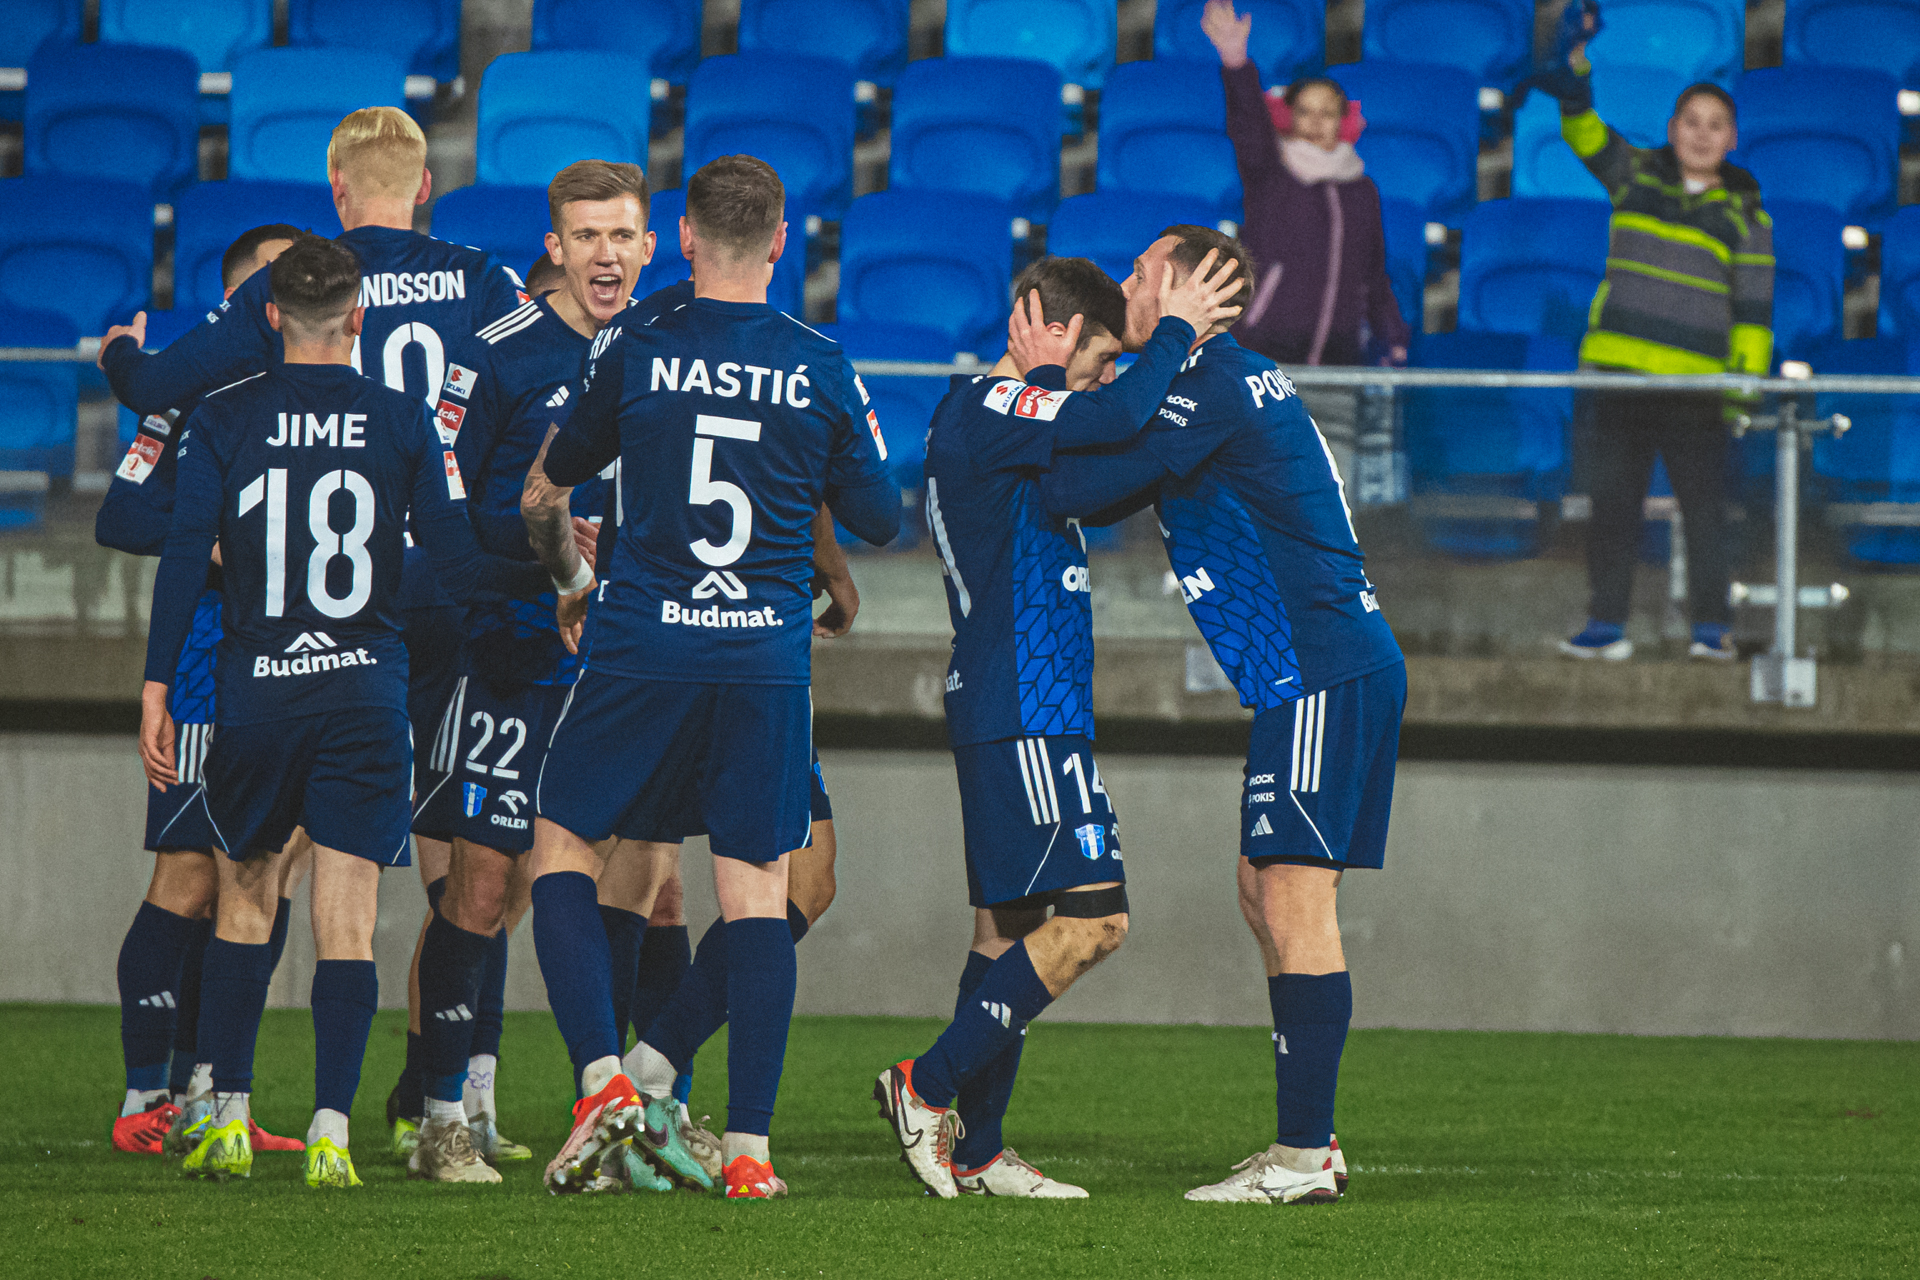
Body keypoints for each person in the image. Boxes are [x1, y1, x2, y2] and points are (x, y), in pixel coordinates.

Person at [516, 154, 900, 1199]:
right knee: (758, 889)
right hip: (761, 656)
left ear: (681, 237)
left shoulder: (635, 343)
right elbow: (880, 515)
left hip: (644, 641)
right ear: (781, 242)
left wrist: (574, 571)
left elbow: (563, 470)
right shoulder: (821, 362)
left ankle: (604, 1080)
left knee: (564, 843)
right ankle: (749, 1152)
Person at [137, 235, 549, 1189]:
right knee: (349, 918)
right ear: (358, 319)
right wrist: (561, 570)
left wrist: (158, 687)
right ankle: (330, 1128)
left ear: (270, 316)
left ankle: (229, 1116)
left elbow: (182, 557)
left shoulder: (223, 415)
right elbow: (458, 565)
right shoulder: (404, 419)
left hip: (257, 692)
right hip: (367, 693)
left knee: (248, 895)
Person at [1036, 225, 1405, 1205]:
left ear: (1188, 292)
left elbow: (1083, 489)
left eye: (1140, 271)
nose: (1123, 283)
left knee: (1292, 900)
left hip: (1319, 668)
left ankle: (1304, 1154)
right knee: (1262, 889)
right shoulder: (1217, 380)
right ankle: (1309, 1141)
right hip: (1313, 670)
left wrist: (1035, 398)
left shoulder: (1208, 386)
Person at [872, 250, 1243, 1200]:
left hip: (1028, 704)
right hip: (1021, 704)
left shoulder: (1018, 426)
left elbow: (1112, 470)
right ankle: (925, 1086)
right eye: (1103, 357)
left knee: (1009, 933)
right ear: (1054, 328)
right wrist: (1176, 332)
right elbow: (1116, 420)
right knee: (1097, 920)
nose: (1111, 377)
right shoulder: (995, 405)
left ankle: (978, 1150)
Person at [403, 158, 650, 1184]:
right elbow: (442, 510)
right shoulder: (495, 352)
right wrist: (542, 565)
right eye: (586, 236)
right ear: (555, 246)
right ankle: (440, 1115)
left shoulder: (662, 347)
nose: (605, 254)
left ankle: (628, 1104)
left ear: (649, 245)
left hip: (628, 658)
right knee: (482, 885)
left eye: (622, 235)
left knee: (634, 882)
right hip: (512, 647)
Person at [101, 225, 309, 1160]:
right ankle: (145, 1094)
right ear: (239, 301)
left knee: (265, 876)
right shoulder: (187, 401)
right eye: (270, 281)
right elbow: (121, 514)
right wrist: (211, 540)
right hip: (205, 664)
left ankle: (211, 1088)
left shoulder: (315, 401)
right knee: (188, 879)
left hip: (296, 668)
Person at [1532, 0, 1774, 662]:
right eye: (1691, 122)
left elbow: (1754, 314)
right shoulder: (1633, 173)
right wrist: (1576, 66)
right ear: (1671, 129)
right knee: (1613, 508)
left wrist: (1740, 394)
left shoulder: (1748, 217)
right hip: (1618, 378)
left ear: (1732, 138)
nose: (1701, 134)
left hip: (1699, 389)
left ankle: (1711, 630)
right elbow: (1582, 129)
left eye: (1715, 125)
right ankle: (1605, 626)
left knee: (1705, 516)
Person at [1201, 0, 1409, 478]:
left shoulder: (1362, 190)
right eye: (1306, 111)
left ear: (1344, 121)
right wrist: (1236, 64)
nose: (1317, 122)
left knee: (1334, 482)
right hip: (1266, 354)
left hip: (1339, 362)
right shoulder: (1270, 172)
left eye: (1328, 112)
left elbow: (1373, 275)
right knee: (1258, 477)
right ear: (1288, 116)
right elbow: (1248, 127)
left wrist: (1392, 336)